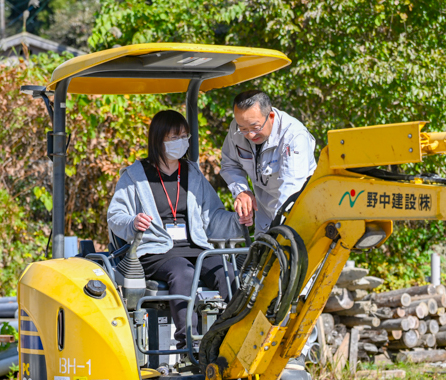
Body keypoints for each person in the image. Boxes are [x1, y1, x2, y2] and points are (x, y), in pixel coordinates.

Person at [107, 110, 246, 349]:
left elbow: (212, 217)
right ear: (158, 140)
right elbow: (115, 216)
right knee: (183, 272)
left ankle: (235, 335)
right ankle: (188, 344)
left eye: (184, 136)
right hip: (156, 250)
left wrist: (239, 220)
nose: (180, 142)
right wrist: (133, 223)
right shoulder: (135, 176)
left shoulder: (192, 173)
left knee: (227, 271)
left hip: (195, 247)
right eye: (174, 138)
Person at [220, 90, 317, 235]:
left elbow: (291, 190)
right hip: (264, 215)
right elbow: (230, 164)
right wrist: (242, 190)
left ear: (270, 116)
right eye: (243, 129)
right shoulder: (236, 128)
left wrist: (278, 231)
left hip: (299, 216)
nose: (250, 135)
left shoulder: (294, 136)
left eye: (255, 127)